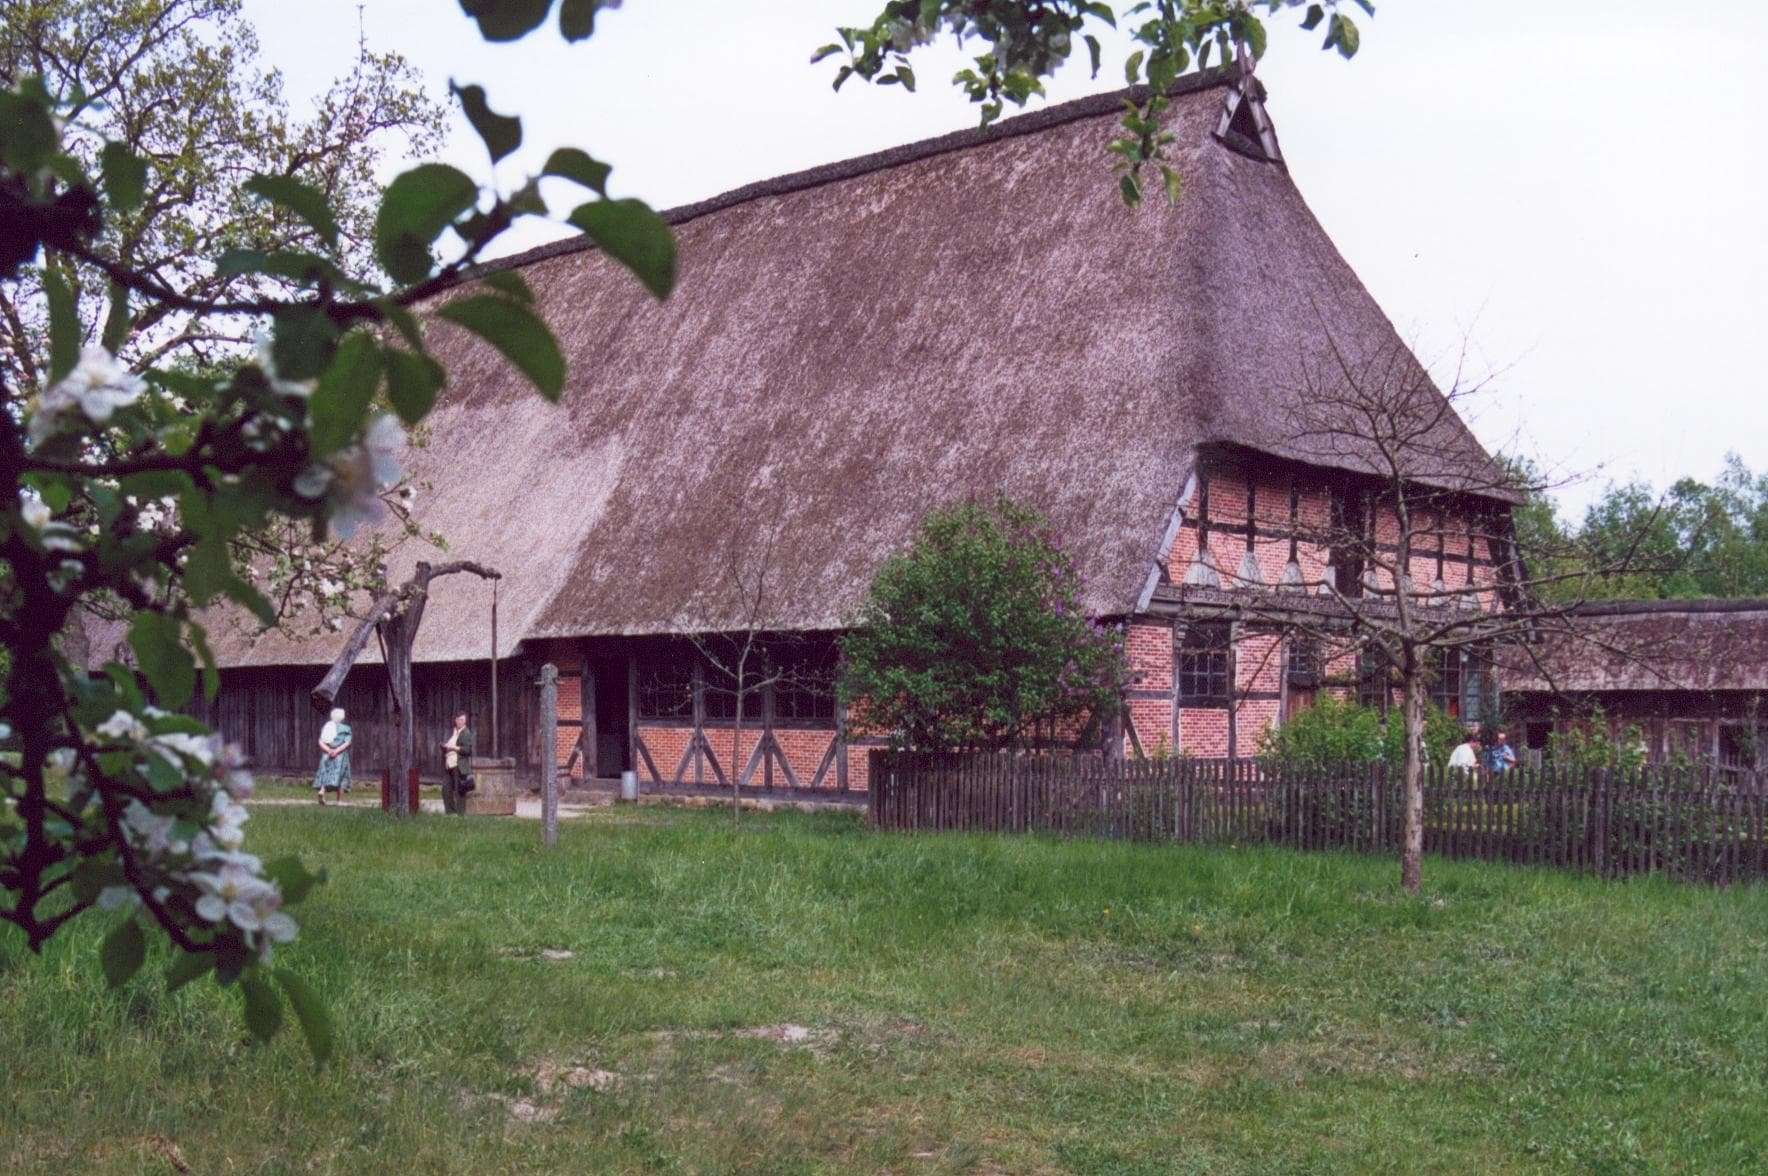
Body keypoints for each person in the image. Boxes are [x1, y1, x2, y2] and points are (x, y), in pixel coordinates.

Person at [314, 707, 352, 804]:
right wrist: (336, 751)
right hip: (340, 756)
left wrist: (329, 750)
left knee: (326, 773)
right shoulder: (346, 728)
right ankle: (339, 800)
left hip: (327, 755)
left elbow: (320, 742)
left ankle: (322, 790)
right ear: (342, 718)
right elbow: (347, 742)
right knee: (342, 776)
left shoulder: (326, 727)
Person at [440, 711, 475, 815]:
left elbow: (468, 750)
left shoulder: (466, 733)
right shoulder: (455, 732)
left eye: (463, 720)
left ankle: (460, 815)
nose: (461, 722)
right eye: (459, 719)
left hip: (458, 765)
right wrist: (445, 747)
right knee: (446, 789)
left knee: (460, 791)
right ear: (456, 720)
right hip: (449, 765)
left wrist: (453, 748)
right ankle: (450, 813)